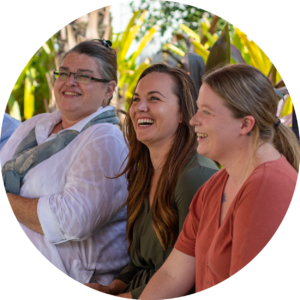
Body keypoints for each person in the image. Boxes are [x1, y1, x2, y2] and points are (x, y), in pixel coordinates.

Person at [138, 64, 300, 299]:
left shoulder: (268, 187)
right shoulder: (214, 187)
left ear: (245, 124)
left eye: (207, 112)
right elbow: (172, 275)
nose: (193, 120)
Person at [84, 64, 219, 299]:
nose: (139, 108)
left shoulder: (196, 176)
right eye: (136, 99)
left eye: (154, 99)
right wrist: (111, 287)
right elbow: (140, 261)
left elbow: (194, 274)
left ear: (182, 114)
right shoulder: (142, 173)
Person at [0, 40, 130, 285]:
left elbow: (72, 220)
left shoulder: (106, 139)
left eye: (85, 76)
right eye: (65, 72)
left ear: (109, 89)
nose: (71, 81)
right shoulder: (36, 124)